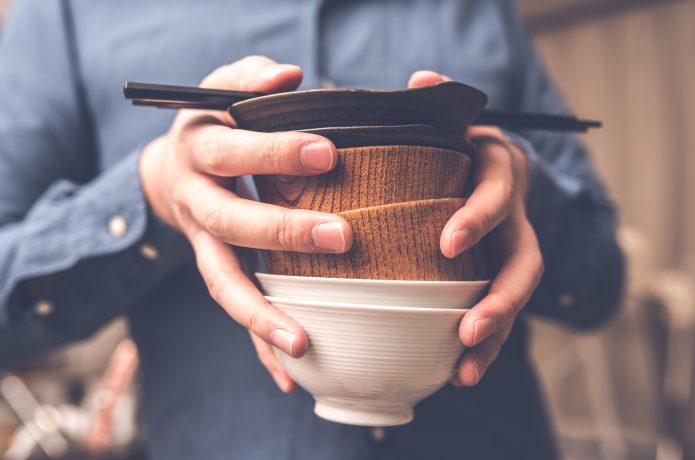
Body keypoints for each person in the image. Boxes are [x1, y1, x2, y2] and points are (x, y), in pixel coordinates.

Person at [0, 0, 624, 458]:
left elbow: (601, 282)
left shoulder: (479, 10)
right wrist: (151, 195)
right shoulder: (67, 13)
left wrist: (519, 180)